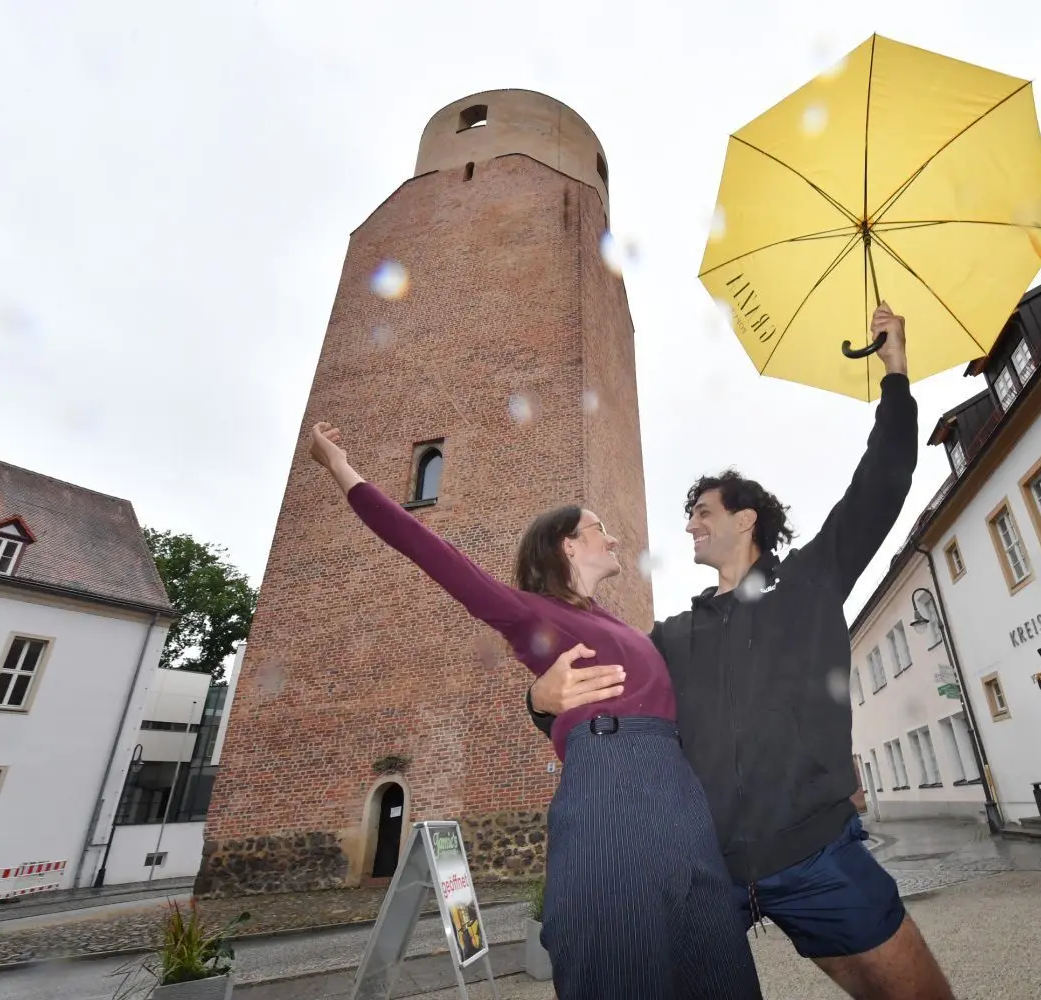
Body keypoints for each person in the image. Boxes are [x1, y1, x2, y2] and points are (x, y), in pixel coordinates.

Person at [527, 303, 957, 1000]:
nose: (689, 525)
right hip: (709, 871)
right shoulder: (671, 636)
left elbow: (883, 482)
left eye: (703, 512)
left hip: (816, 854)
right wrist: (539, 701)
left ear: (747, 518)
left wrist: (896, 372)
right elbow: (598, 694)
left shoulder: (810, 582)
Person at [306, 422, 763, 1000]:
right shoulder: (531, 614)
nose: (613, 540)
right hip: (610, 786)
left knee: (719, 959)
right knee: (617, 958)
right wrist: (341, 467)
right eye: (599, 529)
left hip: (679, 792)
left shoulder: (619, 625)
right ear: (567, 544)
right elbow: (427, 549)